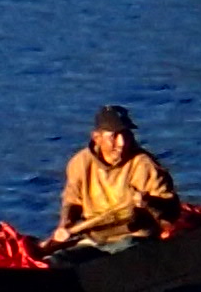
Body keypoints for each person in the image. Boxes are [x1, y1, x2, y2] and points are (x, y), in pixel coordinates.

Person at [54, 105, 188, 248]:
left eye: (126, 135)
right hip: (97, 238)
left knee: (125, 248)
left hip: (134, 236)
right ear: (97, 137)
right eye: (114, 136)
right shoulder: (80, 163)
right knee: (61, 259)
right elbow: (71, 201)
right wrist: (65, 224)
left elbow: (171, 212)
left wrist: (149, 202)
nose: (122, 143)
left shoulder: (143, 164)